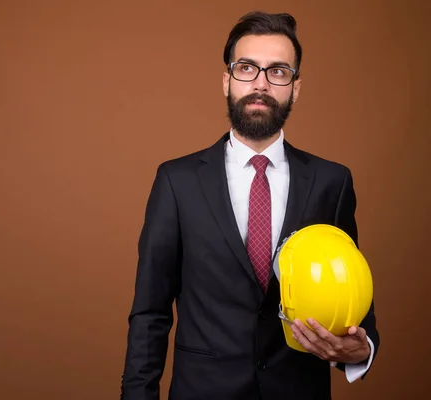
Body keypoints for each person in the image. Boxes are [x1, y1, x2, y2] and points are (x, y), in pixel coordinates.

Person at [120, 11, 380, 400]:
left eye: (277, 72)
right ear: (227, 80)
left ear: (295, 87)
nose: (260, 83)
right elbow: (150, 313)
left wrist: (363, 349)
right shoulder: (178, 181)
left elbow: (352, 289)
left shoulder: (332, 182)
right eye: (246, 68)